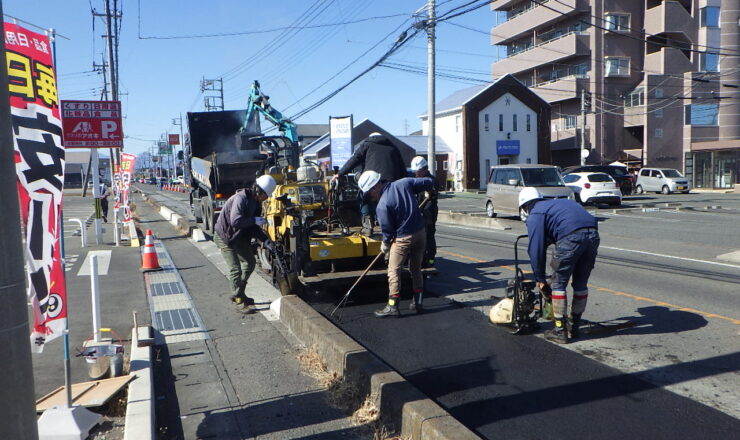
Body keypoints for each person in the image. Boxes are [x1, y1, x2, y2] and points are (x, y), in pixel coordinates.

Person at [518, 187, 600, 344]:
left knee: (558, 284)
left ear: (525, 206)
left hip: (571, 237)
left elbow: (536, 250)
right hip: (593, 234)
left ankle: (559, 330)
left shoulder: (535, 214)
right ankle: (574, 326)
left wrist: (540, 279)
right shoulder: (555, 205)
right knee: (581, 284)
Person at [358, 170, 434, 318]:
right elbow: (428, 181)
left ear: (375, 187)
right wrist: (429, 191)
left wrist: (385, 244)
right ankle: (418, 302)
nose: (371, 197)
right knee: (415, 269)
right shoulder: (404, 183)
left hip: (403, 238)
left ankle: (392, 306)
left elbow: (387, 230)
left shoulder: (382, 205)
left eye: (369, 193)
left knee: (393, 270)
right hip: (420, 234)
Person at [214, 175, 276, 310]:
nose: (266, 198)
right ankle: (239, 300)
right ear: (259, 191)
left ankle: (238, 292)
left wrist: (266, 240)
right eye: (265, 195)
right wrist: (254, 220)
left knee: (250, 262)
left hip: (238, 236)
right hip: (225, 236)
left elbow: (254, 227)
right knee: (235, 269)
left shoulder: (256, 203)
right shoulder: (241, 198)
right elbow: (235, 221)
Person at [332, 132, 407, 235]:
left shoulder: (367, 144)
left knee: (364, 197)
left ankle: (368, 225)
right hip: (391, 184)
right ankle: (392, 225)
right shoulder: (393, 147)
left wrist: (340, 173)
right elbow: (403, 169)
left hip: (373, 181)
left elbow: (355, 159)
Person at [410, 156, 438, 267]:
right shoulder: (417, 180)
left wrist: (424, 213)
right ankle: (421, 259)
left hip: (428, 214)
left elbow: (431, 201)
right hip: (419, 213)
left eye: (417, 172)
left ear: (424, 169)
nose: (416, 174)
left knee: (428, 236)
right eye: (415, 172)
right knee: (419, 238)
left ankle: (430, 260)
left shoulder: (431, 181)